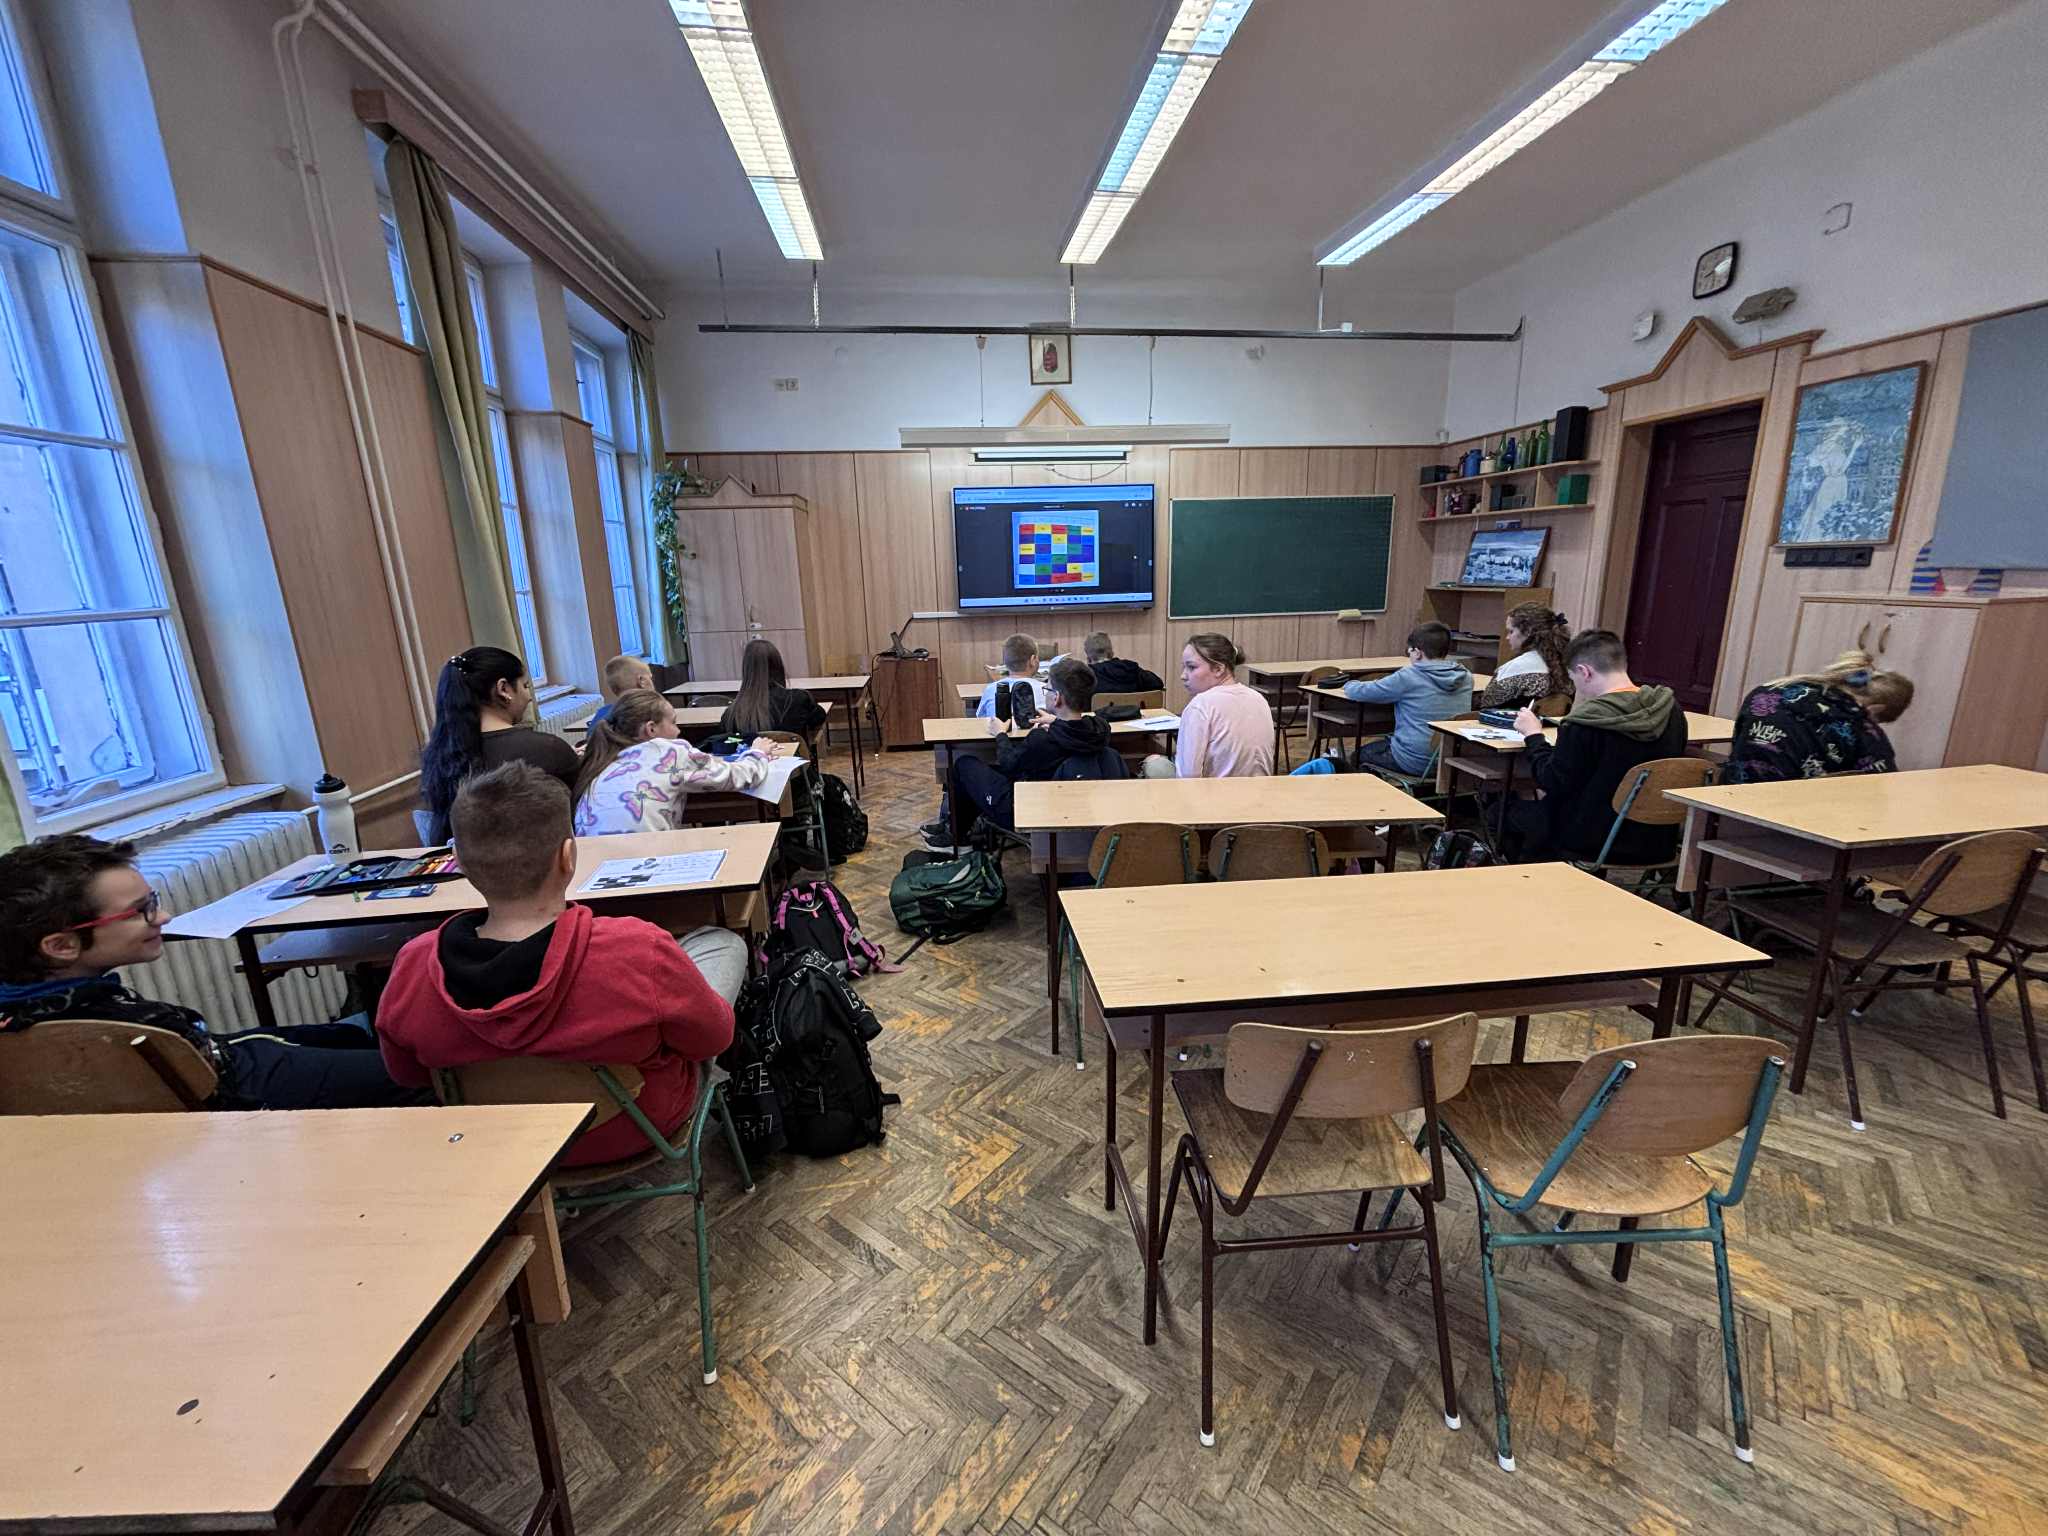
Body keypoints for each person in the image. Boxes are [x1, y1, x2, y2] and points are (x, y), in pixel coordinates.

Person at [377, 763, 743, 1168]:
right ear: (568, 856)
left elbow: (407, 1075)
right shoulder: (640, 948)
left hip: (494, 1140)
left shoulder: (412, 966)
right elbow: (711, 1040)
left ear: (459, 863)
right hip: (634, 1129)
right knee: (722, 946)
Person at [0, 834, 424, 1110]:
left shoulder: (25, 1010)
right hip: (237, 1091)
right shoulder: (122, 1030)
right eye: (141, 911)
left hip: (222, 1063)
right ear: (61, 946)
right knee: (421, 1074)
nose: (162, 916)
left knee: (348, 1035)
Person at [1503, 629, 1688, 864]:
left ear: (1585, 672)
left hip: (1589, 841)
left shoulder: (1586, 722)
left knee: (1501, 813)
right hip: (1656, 841)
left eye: (1574, 679)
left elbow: (1551, 781)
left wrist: (1533, 736)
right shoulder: (1671, 711)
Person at [927, 657, 1127, 850]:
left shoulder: (1041, 739)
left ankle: (957, 839)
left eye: (1048, 689)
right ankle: (958, 828)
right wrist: (1057, 722)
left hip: (1028, 809)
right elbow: (1074, 728)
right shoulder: (1099, 729)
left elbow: (1008, 764)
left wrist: (1000, 734)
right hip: (1077, 807)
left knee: (964, 765)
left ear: (1057, 698)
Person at [574, 688, 788, 835]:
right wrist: (757, 752)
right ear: (651, 729)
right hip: (649, 864)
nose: (678, 731)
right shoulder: (668, 752)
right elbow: (740, 776)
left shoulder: (601, 760)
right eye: (674, 723)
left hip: (595, 870)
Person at [420, 646, 577, 844]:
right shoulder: (549, 750)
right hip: (538, 860)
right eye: (525, 686)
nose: (529, 696)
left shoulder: (438, 757)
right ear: (503, 689)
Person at [1724, 650, 1914, 783]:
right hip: (1787, 813)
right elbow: (1880, 785)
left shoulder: (1773, 689)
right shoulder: (1861, 726)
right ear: (1875, 709)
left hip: (1732, 795)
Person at [1341, 622, 1472, 778]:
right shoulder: (1466, 676)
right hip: (1452, 761)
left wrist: (1349, 683)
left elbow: (1362, 692)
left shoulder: (1409, 677)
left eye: (1409, 650)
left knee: (1358, 756)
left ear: (1418, 653)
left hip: (1414, 761)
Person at [1138, 633, 1274, 778]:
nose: (1183, 676)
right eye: (1184, 667)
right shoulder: (1258, 698)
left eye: (1191, 667)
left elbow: (1188, 776)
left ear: (1218, 669)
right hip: (1263, 789)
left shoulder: (1200, 706)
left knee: (1154, 764)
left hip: (1216, 792)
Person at [718, 637, 826, 739]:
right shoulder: (799, 699)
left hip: (753, 753)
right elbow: (819, 719)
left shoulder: (731, 714)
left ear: (747, 670)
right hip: (796, 752)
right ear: (778, 666)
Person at [1478, 603, 1572, 711]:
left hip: (1509, 721)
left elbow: (1486, 705)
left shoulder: (1514, 668)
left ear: (1528, 632)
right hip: (1548, 722)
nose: (1507, 637)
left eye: (1511, 631)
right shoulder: (1567, 666)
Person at [972, 633, 1049, 719]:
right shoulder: (1048, 690)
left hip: (999, 727)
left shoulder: (991, 689)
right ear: (1033, 660)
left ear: (1005, 662)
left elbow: (981, 718)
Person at [1081, 632, 1163, 696]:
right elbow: (1158, 684)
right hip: (1133, 713)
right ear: (1111, 652)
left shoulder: (1085, 676)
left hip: (1099, 713)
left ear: (1088, 655)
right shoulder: (1131, 668)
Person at [590, 653, 655, 729]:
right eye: (650, 678)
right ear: (642, 681)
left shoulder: (601, 714)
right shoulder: (653, 713)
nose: (652, 682)